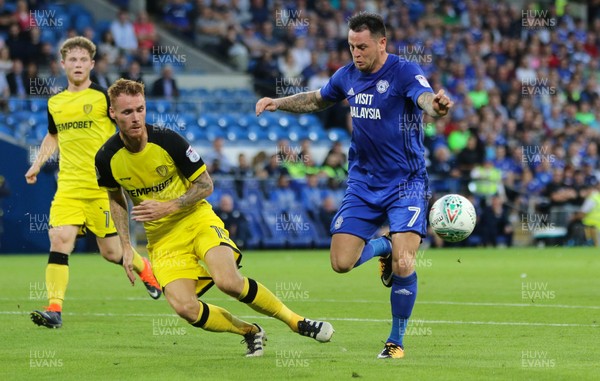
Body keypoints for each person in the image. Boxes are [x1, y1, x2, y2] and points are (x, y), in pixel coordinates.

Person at [256, 12, 453, 359]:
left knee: (406, 262)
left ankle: (396, 342)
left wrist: (435, 107)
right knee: (341, 263)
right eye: (350, 46)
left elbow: (424, 99)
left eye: (362, 46)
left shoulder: (404, 71)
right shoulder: (346, 75)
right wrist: (278, 104)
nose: (356, 53)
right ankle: (383, 248)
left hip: (406, 182)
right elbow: (316, 98)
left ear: (381, 43)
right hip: (362, 182)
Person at [95, 79, 334, 357]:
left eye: (140, 109)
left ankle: (296, 321)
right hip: (162, 239)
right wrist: (126, 246)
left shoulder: (168, 140)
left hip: (196, 220)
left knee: (228, 281)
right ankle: (250, 332)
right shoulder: (106, 158)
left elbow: (206, 185)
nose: (135, 118)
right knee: (186, 309)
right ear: (113, 113)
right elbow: (116, 200)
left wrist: (170, 206)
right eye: (127, 112)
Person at [24, 37, 161, 329]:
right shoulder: (55, 102)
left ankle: (147, 271)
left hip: (102, 189)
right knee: (59, 239)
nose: (77, 64)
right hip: (69, 188)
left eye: (82, 60)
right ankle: (54, 310)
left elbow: (127, 127)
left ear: (91, 64)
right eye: (72, 60)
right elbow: (53, 136)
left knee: (112, 253)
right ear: (62, 65)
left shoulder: (102, 98)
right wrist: (37, 163)